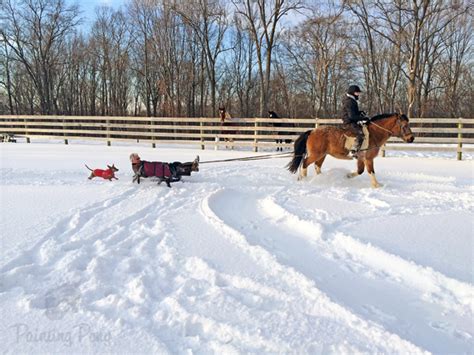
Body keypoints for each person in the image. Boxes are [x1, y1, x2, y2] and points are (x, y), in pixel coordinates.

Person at [341, 85, 369, 157]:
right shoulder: (349, 101)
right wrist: (363, 118)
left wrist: (360, 113)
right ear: (352, 93)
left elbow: (353, 112)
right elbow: (352, 116)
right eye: (357, 93)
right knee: (361, 133)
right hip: (349, 122)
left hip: (351, 121)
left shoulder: (352, 100)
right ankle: (353, 151)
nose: (358, 94)